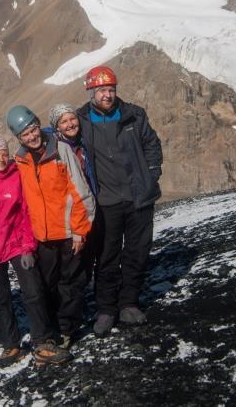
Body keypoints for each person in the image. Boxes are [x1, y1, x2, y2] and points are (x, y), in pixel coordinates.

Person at [75, 65, 163, 337]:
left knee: (137, 252)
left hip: (138, 198)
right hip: (105, 203)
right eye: (102, 90)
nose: (108, 95)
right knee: (107, 257)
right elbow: (59, 138)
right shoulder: (81, 121)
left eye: (111, 89)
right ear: (91, 91)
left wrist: (150, 175)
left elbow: (152, 145)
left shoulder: (134, 115)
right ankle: (106, 309)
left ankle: (129, 303)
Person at [0, 134, 70, 367]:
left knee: (34, 292)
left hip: (16, 244)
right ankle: (11, 345)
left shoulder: (18, 176)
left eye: (4, 154)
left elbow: (27, 213)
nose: (1, 159)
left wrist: (28, 247)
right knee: (1, 299)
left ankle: (43, 342)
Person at [6, 105, 95, 350]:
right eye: (25, 134)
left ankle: (66, 329)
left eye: (33, 129)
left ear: (39, 125)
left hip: (68, 232)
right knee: (48, 285)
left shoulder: (61, 150)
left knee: (71, 284)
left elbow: (81, 192)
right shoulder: (20, 160)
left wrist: (79, 230)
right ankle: (54, 327)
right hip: (42, 236)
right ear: (18, 138)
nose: (32, 136)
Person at [49, 103, 101, 294]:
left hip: (91, 208)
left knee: (89, 260)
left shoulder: (84, 143)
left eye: (72, 119)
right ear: (57, 126)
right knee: (74, 268)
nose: (70, 124)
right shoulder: (55, 149)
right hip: (72, 217)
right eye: (64, 121)